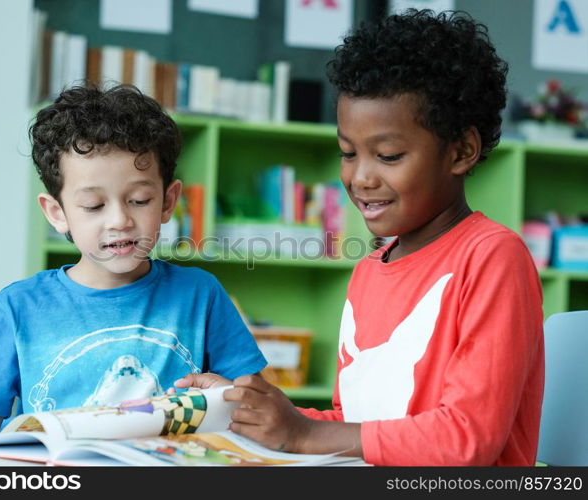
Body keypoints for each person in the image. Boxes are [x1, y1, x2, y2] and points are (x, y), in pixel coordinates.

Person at [176, 9, 544, 466]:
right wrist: (250, 411)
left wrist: (304, 434)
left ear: (461, 151)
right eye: (348, 153)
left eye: (388, 156)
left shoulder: (492, 257)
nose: (360, 177)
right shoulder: (370, 269)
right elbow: (357, 423)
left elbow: (467, 440)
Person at [0, 84, 267, 445]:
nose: (119, 220)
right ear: (57, 213)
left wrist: (230, 402)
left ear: (168, 201)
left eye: (139, 199)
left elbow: (259, 410)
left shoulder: (200, 295)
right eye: (93, 206)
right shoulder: (17, 307)